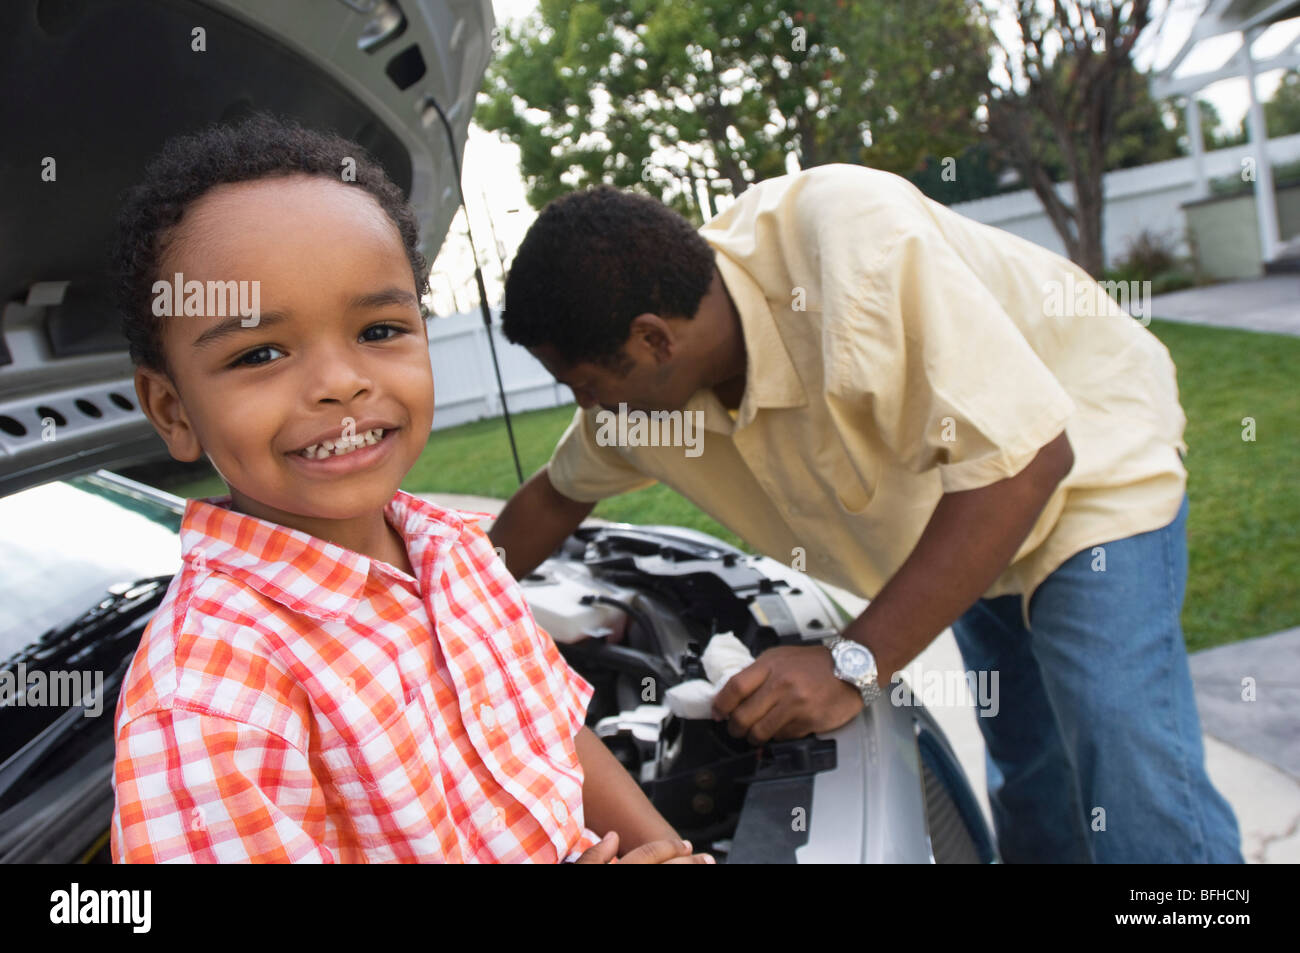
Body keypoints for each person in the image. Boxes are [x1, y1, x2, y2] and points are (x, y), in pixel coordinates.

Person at [488, 165, 1244, 863]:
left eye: (586, 384)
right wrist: (451, 610)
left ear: (654, 339)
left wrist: (852, 662)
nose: (588, 408)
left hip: (1085, 474)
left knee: (1125, 762)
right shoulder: (645, 406)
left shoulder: (852, 249)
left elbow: (1028, 462)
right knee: (1033, 780)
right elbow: (556, 495)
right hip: (960, 519)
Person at [108, 114, 710, 864]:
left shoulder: (456, 550)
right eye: (260, 351)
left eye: (379, 330)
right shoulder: (206, 704)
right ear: (172, 409)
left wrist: (669, 849)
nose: (341, 383)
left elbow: (556, 737)